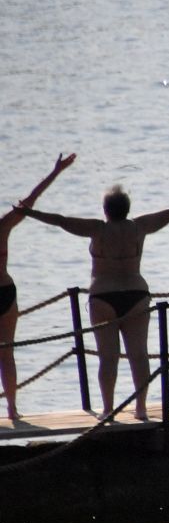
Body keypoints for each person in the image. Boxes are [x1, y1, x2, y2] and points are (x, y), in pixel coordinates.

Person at [14, 181, 169, 421]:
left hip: (103, 296)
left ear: (105, 210)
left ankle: (108, 409)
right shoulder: (140, 226)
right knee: (139, 355)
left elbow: (60, 220)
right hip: (136, 295)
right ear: (127, 208)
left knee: (108, 357)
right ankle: (141, 408)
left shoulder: (97, 229)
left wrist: (29, 212)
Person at [1, 152, 75, 421]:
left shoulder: (2, 227)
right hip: (6, 291)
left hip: (6, 293)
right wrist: (56, 171)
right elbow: (29, 203)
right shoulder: (2, 227)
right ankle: (11, 409)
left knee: (6, 353)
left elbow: (28, 203)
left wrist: (56, 172)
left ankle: (11, 408)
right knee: (6, 353)